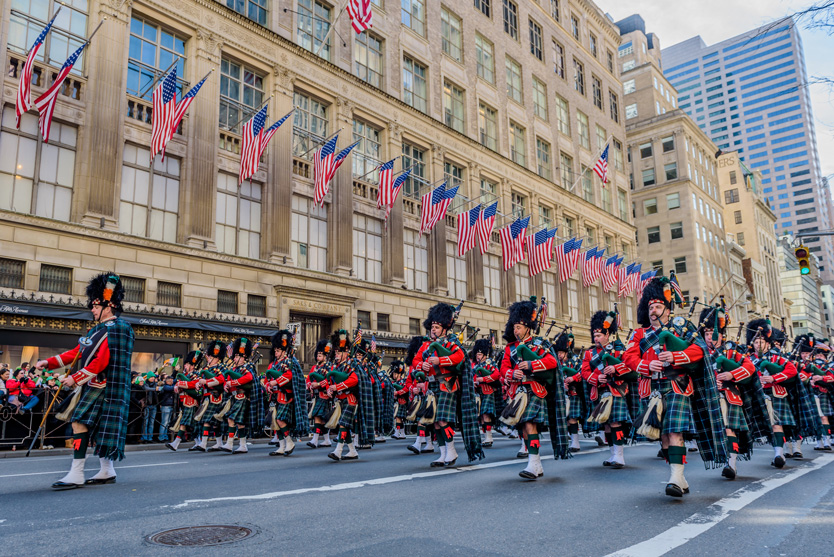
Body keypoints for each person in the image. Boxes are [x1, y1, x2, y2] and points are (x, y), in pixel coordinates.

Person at [622, 276, 727, 498]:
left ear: (668, 310)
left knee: (674, 431)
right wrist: (647, 364)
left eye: (658, 306)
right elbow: (628, 358)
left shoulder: (682, 327)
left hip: (677, 385)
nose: (653, 310)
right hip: (651, 388)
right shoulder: (639, 334)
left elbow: (699, 351)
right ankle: (678, 475)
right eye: (650, 306)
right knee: (663, 437)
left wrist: (676, 356)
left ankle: (676, 477)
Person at [36, 273, 135, 489]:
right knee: (99, 428)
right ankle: (107, 470)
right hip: (94, 384)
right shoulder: (97, 329)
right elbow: (77, 352)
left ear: (108, 306)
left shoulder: (119, 328)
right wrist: (49, 362)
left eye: (95, 305)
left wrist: (74, 378)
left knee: (79, 421)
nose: (92, 309)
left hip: (107, 386)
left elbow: (101, 362)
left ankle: (77, 473)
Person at [500, 299, 568, 479]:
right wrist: (511, 374)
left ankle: (533, 463)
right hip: (518, 391)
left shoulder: (540, 343)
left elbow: (552, 362)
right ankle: (536, 463)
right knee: (524, 427)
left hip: (535, 389)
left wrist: (531, 364)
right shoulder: (510, 348)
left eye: (519, 327)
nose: (516, 331)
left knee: (530, 423)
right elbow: (504, 368)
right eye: (514, 327)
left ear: (528, 327)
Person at [414, 303, 483, 467]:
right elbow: (418, 362)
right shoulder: (428, 345)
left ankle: (451, 450)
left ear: (444, 328)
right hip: (433, 386)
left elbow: (460, 357)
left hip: (447, 385)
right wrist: (422, 366)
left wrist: (441, 360)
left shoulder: (451, 342)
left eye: (437, 327)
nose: (434, 330)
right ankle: (443, 453)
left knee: (443, 419)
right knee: (435, 421)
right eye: (433, 327)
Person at [581, 311, 633, 468]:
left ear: (607, 334)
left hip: (616, 390)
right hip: (600, 391)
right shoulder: (590, 353)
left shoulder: (618, 349)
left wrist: (615, 369)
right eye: (594, 336)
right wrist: (596, 378)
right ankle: (612, 454)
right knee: (607, 424)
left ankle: (619, 455)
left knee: (616, 422)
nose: (596, 339)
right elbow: (584, 371)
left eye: (599, 335)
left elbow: (628, 366)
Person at [327, 329, 372, 461]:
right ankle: (352, 451)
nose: (336, 354)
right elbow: (331, 381)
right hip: (340, 399)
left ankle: (338, 451)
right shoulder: (336, 365)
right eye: (335, 351)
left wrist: (337, 387)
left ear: (346, 352)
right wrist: (330, 390)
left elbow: (354, 380)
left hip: (350, 398)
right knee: (344, 425)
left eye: (339, 351)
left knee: (343, 423)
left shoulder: (351, 364)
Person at [266, 330, 310, 456]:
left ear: (284, 351)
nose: (276, 353)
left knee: (280, 420)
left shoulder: (290, 362)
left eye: (278, 351)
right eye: (275, 350)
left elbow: (290, 376)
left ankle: (289, 442)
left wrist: (276, 382)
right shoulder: (274, 364)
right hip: (276, 396)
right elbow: (269, 378)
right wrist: (269, 386)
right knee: (276, 421)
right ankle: (281, 446)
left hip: (287, 396)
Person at [220, 338, 264, 454]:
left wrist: (232, 383)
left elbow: (248, 378)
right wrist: (226, 385)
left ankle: (230, 444)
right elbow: (228, 378)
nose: (234, 359)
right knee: (239, 423)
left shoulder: (248, 366)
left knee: (232, 419)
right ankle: (242, 445)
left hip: (243, 397)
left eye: (236, 356)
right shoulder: (234, 368)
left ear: (242, 357)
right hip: (234, 397)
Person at [166, 351, 204, 452]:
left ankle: (176, 443)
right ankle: (198, 442)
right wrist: (177, 387)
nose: (185, 365)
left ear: (192, 365)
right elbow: (176, 385)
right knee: (192, 424)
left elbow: (193, 384)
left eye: (187, 364)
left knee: (184, 422)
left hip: (191, 401)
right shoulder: (184, 374)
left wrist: (181, 384)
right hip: (183, 401)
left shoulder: (196, 374)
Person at [194, 340, 228, 452]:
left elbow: (221, 379)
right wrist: (198, 385)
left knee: (208, 420)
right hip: (206, 397)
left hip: (216, 397)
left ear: (217, 358)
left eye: (210, 357)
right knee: (212, 421)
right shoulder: (205, 368)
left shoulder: (222, 367)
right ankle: (218, 443)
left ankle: (204, 443)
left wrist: (206, 382)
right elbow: (200, 380)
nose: (208, 358)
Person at [404, 335, 434, 455]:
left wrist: (424, 386)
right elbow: (408, 383)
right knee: (422, 420)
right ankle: (429, 443)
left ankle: (418, 443)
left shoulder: (428, 362)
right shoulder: (413, 366)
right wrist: (413, 389)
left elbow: (432, 376)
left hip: (428, 393)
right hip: (419, 396)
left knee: (424, 420)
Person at [470, 338, 501, 448]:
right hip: (478, 392)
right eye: (477, 354)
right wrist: (473, 382)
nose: (478, 356)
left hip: (488, 390)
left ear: (485, 354)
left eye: (480, 354)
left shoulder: (490, 363)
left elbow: (496, 375)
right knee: (481, 416)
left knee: (486, 413)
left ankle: (489, 437)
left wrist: (484, 379)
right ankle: (485, 436)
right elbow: (472, 376)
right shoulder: (475, 365)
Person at [307, 339, 334, 448]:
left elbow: (329, 379)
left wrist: (318, 384)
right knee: (321, 419)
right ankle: (326, 440)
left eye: (321, 354)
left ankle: (315, 439)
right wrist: (309, 385)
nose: (318, 356)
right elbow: (308, 378)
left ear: (325, 356)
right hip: (316, 395)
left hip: (325, 394)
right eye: (318, 354)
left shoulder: (329, 366)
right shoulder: (314, 367)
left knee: (318, 416)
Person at [141, 372, 160, 443]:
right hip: (147, 405)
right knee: (145, 422)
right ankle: (144, 437)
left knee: (151, 422)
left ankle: (150, 438)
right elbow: (147, 388)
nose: (153, 378)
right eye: (152, 377)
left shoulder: (155, 384)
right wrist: (156, 389)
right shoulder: (145, 383)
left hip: (154, 405)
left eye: (154, 377)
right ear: (148, 378)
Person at [157, 375, 176, 443]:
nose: (172, 382)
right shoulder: (165, 387)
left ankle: (165, 436)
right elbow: (172, 388)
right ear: (168, 381)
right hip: (166, 406)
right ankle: (161, 437)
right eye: (171, 381)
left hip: (169, 406)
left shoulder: (168, 386)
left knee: (167, 423)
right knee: (164, 422)